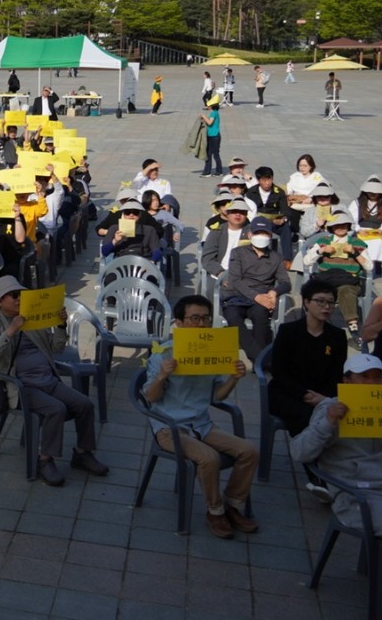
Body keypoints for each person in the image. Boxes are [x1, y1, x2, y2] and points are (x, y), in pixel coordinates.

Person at [289, 353, 382, 620]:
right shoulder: (330, 407)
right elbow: (299, 452)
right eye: (365, 377)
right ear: (347, 381)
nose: (372, 383)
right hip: (357, 495)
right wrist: (329, 422)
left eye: (377, 377)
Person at [144, 294, 259, 539]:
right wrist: (162, 376)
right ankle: (215, 511)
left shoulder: (211, 351)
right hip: (169, 427)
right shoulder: (162, 354)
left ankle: (232, 505)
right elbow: (150, 398)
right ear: (179, 323)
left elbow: (216, 396)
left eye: (206, 319)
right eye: (194, 318)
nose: (201, 324)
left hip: (201, 423)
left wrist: (233, 378)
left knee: (249, 451)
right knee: (209, 458)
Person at [0, 275, 108, 485]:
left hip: (47, 379)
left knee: (85, 404)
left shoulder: (32, 315)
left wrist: (61, 326)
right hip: (20, 386)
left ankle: (82, 453)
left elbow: (56, 348)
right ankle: (44, 460)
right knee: (56, 409)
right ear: (0, 300)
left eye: (21, 294)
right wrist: (11, 330)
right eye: (14, 295)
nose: (19, 299)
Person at [267, 279, 346, 437]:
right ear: (306, 302)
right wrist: (303, 394)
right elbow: (278, 371)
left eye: (331, 302)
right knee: (307, 416)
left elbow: (337, 373)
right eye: (320, 301)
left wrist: (324, 399)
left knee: (337, 413)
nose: (326, 306)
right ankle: (306, 450)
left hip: (323, 394)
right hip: (288, 392)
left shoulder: (338, 336)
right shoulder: (288, 331)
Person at [222, 216, 291, 361]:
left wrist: (274, 291)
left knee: (261, 319)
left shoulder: (276, 257)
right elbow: (235, 281)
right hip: (236, 296)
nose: (260, 236)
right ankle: (260, 358)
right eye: (257, 232)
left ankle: (259, 361)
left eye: (264, 233)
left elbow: (286, 283)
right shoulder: (238, 252)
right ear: (249, 235)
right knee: (233, 317)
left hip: (262, 298)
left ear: (270, 236)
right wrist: (256, 297)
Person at [302, 212, 369, 336]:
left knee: (346, 290)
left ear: (348, 226)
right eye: (337, 225)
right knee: (320, 293)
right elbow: (306, 261)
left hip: (348, 280)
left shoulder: (356, 243)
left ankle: (353, 325)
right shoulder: (324, 241)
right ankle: (315, 324)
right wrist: (321, 251)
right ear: (331, 227)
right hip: (327, 278)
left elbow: (369, 266)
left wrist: (354, 252)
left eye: (344, 225)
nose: (340, 227)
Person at [348, 176, 382, 275]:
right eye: (370, 191)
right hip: (360, 232)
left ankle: (376, 269)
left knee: (380, 244)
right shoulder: (356, 203)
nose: (373, 194)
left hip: (378, 233)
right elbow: (351, 219)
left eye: (375, 192)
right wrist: (358, 229)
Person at [199, 96, 223, 177]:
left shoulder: (214, 113)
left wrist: (203, 116)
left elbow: (209, 123)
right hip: (212, 136)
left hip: (214, 136)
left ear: (212, 106)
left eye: (208, 105)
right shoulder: (215, 113)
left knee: (214, 154)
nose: (207, 107)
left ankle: (216, 171)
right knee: (210, 154)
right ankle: (209, 171)